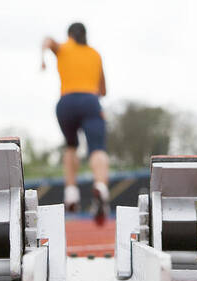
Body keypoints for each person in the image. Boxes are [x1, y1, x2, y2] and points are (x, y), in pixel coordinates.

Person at [41, 22, 110, 225]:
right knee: (98, 148)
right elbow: (103, 91)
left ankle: (71, 192)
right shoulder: (95, 54)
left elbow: (47, 40)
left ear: (69, 35)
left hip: (66, 103)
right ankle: (101, 187)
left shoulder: (63, 48)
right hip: (90, 101)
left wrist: (43, 57)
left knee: (71, 146)